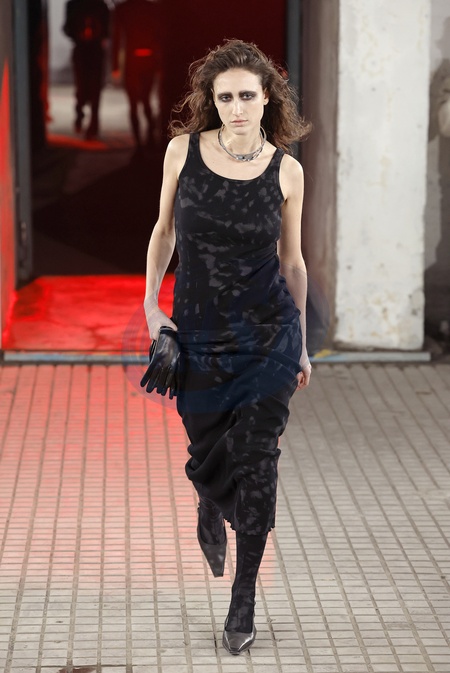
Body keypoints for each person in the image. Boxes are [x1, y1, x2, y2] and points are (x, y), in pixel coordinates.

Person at [143, 39, 312, 655]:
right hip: (199, 333)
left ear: (267, 98)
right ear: (210, 102)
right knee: (207, 448)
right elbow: (164, 231)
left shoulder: (286, 170)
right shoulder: (182, 153)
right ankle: (210, 503)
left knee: (257, 457)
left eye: (246, 95)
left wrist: (301, 345)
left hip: (268, 334)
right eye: (224, 98)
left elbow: (292, 262)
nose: (236, 107)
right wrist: (151, 305)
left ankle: (244, 599)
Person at [111, 0, 164, 148]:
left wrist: (115, 66)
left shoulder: (123, 9)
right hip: (149, 58)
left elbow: (116, 37)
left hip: (132, 60)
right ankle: (149, 138)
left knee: (133, 103)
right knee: (146, 101)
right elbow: (160, 36)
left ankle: (139, 144)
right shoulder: (153, 9)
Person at [63, 0, 110, 140]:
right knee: (82, 86)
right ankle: (81, 112)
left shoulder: (100, 6)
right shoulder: (75, 5)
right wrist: (79, 34)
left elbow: (107, 29)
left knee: (94, 88)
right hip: (83, 50)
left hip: (93, 50)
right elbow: (67, 28)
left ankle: (93, 124)